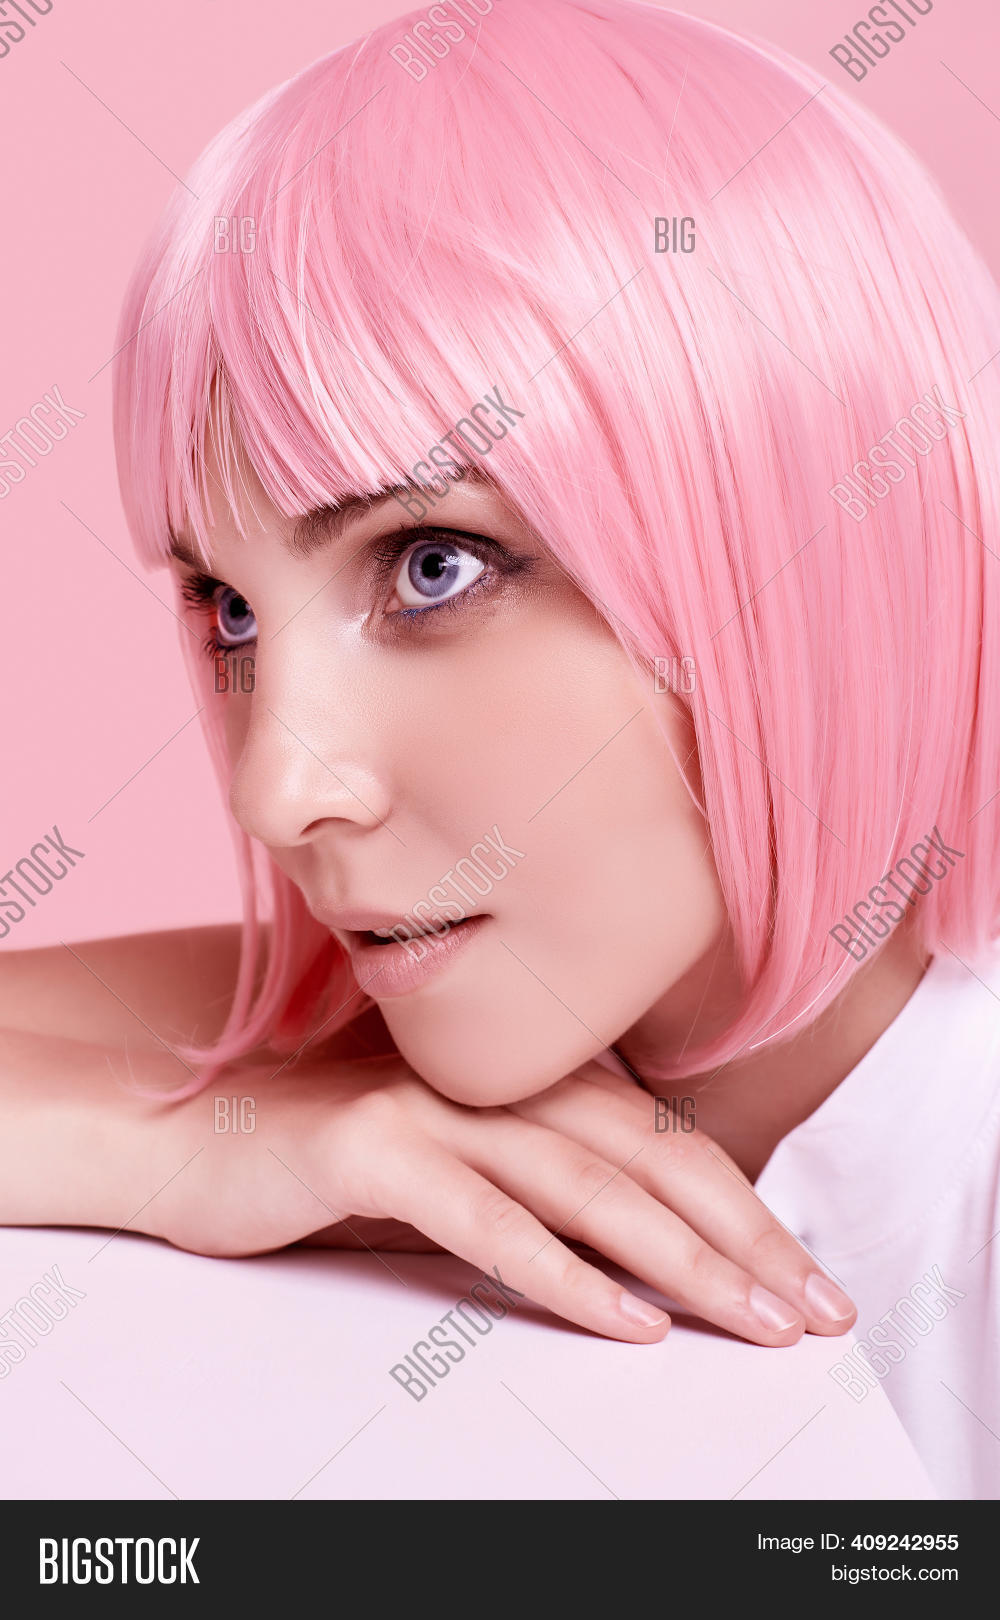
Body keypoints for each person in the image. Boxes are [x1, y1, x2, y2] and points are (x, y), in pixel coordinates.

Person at [2, 0, 998, 1495]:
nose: (279, 790)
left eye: (432, 566)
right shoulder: (347, 1049)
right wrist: (190, 1145)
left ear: (797, 554)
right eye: (231, 609)